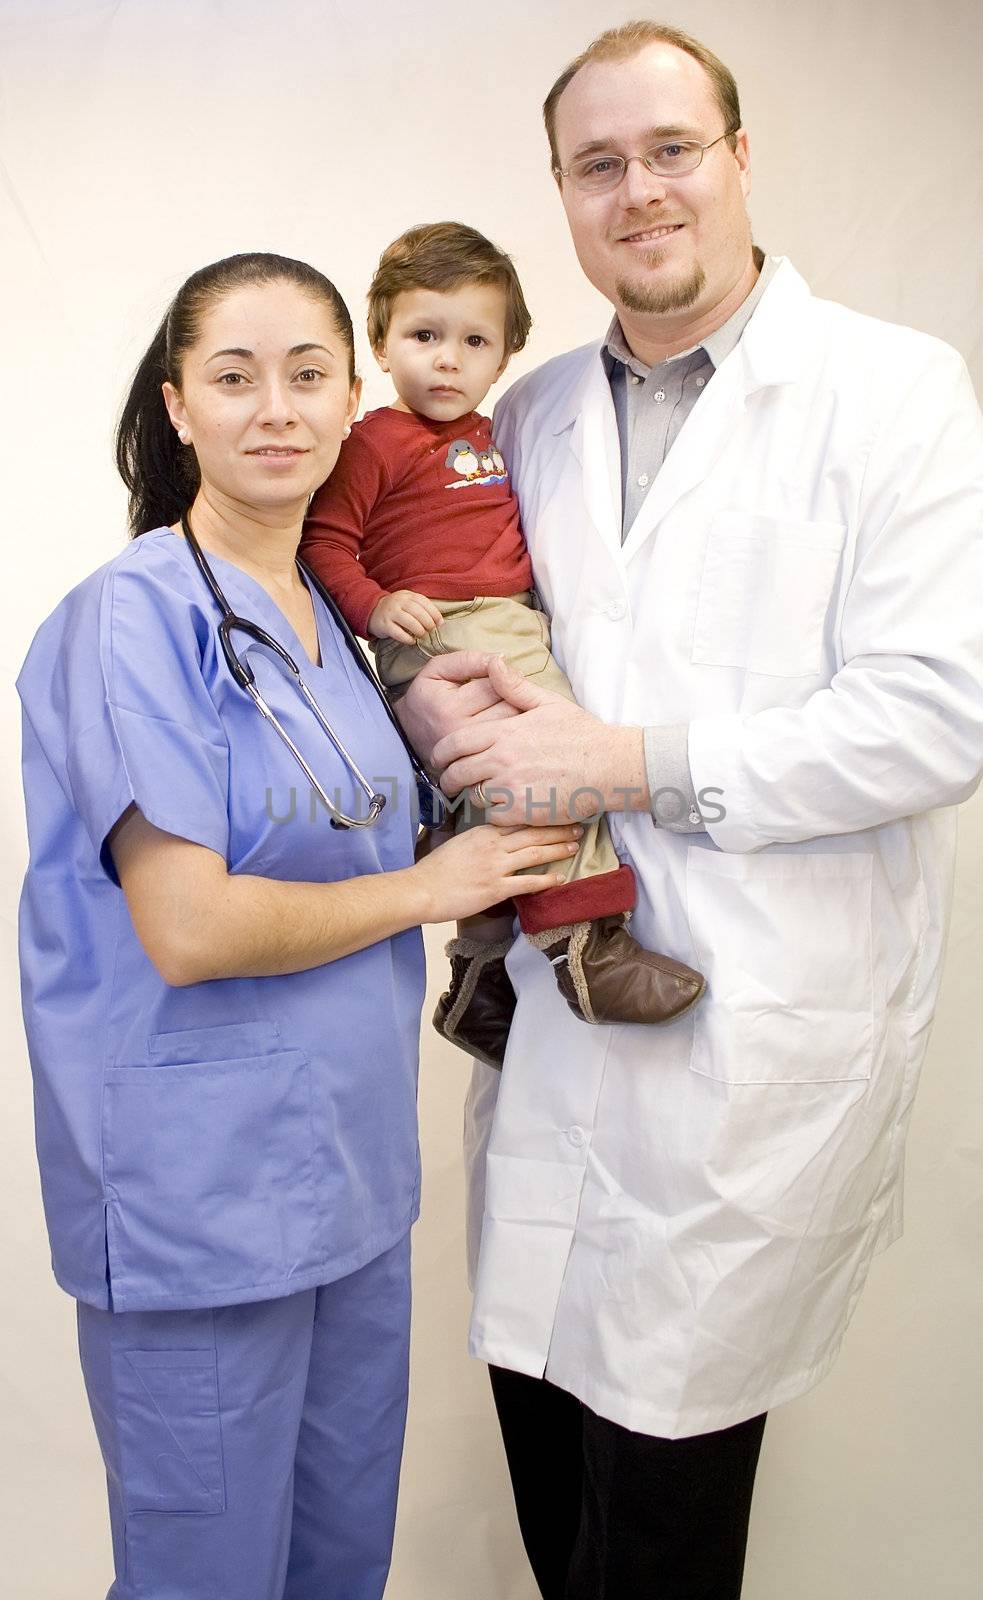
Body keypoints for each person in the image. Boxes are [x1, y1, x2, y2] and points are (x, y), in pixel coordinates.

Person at [397, 20, 983, 1600]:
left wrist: (626, 762)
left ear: (737, 158)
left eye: (669, 150)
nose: (637, 190)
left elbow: (938, 717)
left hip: (746, 1066)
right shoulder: (517, 422)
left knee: (657, 1542)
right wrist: (428, 706)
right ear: (562, 197)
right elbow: (460, 638)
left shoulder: (889, 392)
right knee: (551, 1506)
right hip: (550, 1036)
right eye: (597, 165)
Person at [15, 250, 581, 1600]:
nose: (273, 406)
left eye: (307, 374)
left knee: (337, 1570)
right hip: (192, 1204)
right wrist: (437, 889)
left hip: (346, 1184)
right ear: (178, 407)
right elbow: (188, 925)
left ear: (350, 404)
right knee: (206, 1578)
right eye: (233, 375)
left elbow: (348, 811)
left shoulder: (339, 624)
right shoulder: (131, 622)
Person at [301, 220, 704, 1070]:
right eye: (423, 336)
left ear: (505, 352)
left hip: (507, 616)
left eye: (473, 340)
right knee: (556, 763)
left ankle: (482, 974)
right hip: (452, 625)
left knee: (486, 795)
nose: (446, 360)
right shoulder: (374, 439)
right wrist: (378, 607)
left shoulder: (493, 432)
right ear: (379, 341)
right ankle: (591, 947)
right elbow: (325, 544)